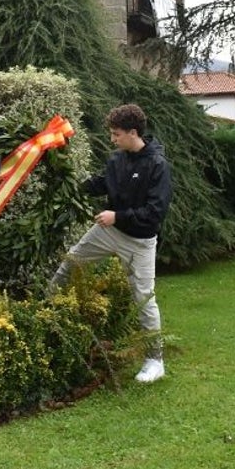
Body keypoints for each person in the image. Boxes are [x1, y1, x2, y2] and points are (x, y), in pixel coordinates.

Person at [50, 104, 171, 383]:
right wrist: (68, 182)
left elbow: (155, 212)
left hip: (140, 242)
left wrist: (118, 216)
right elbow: (104, 183)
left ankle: (155, 361)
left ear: (133, 132)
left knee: (144, 298)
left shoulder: (157, 166)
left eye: (116, 134)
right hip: (107, 232)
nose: (112, 139)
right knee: (71, 263)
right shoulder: (117, 159)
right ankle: (47, 311)